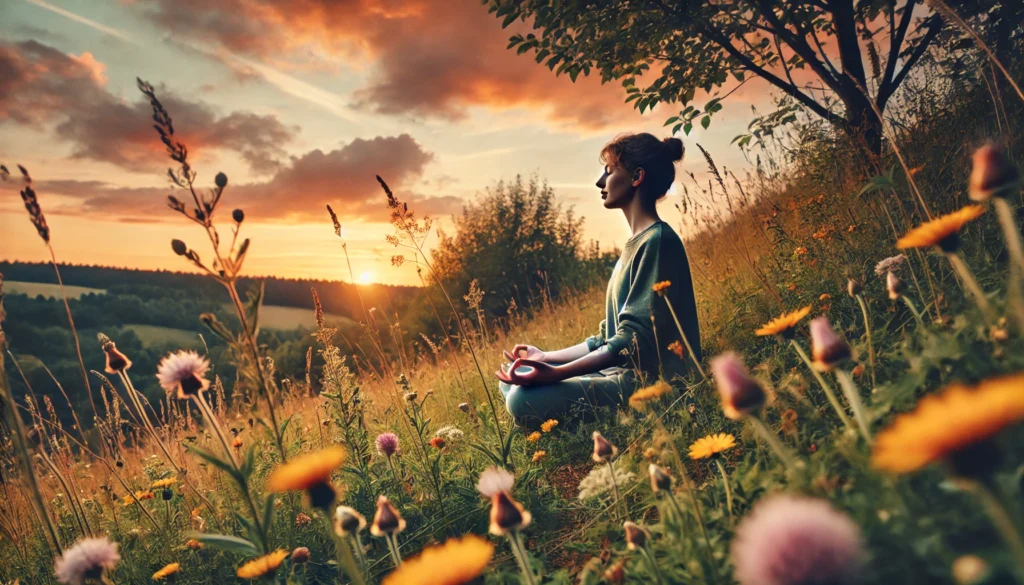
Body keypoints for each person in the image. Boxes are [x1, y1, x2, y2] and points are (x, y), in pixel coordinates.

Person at [495, 133, 701, 425]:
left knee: (520, 397)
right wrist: (546, 358)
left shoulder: (659, 241)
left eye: (609, 171)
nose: (600, 182)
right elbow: (607, 338)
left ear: (636, 176)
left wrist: (557, 374)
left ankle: (543, 414)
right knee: (515, 379)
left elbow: (632, 341)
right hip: (616, 375)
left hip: (650, 388)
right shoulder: (635, 245)